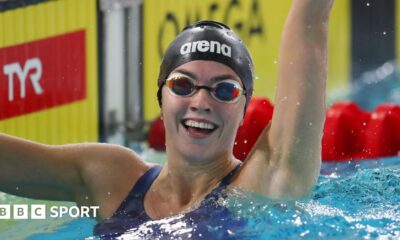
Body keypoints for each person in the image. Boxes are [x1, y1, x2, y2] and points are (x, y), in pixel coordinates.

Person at [0, 0, 334, 238]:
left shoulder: (263, 185)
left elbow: (310, 25)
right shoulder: (111, 178)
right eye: (183, 85)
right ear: (161, 99)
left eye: (224, 91)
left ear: (245, 108)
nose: (201, 101)